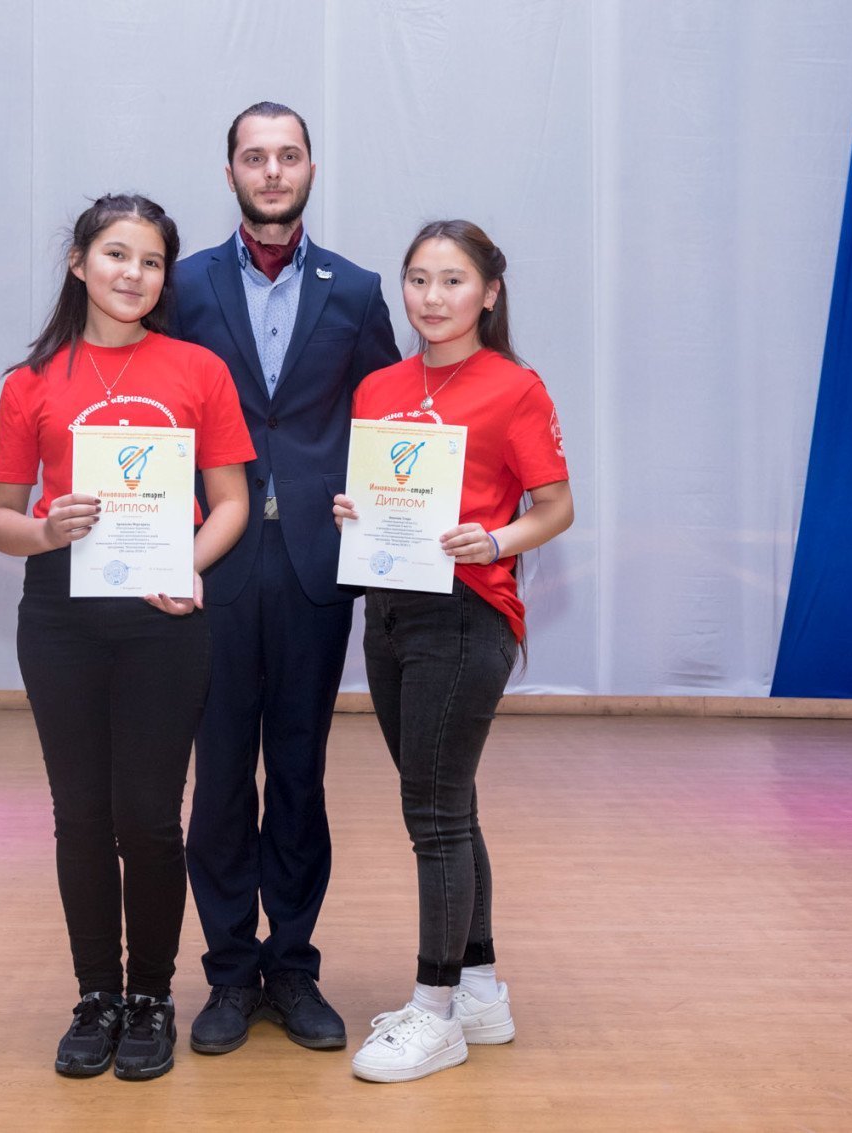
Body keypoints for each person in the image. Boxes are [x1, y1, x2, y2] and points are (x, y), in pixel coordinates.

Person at [0, 194, 253, 1081]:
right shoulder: (31, 382)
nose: (133, 273)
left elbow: (232, 501)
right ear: (79, 262)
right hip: (60, 617)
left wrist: (188, 565)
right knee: (81, 817)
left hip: (162, 621)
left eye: (151, 261)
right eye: (116, 254)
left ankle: (152, 996)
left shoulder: (198, 369)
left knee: (149, 817)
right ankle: (95, 994)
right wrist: (44, 528)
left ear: (165, 277)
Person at [170, 102, 400, 1055]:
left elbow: (389, 417)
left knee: (299, 774)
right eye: (255, 156)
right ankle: (230, 975)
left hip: (316, 565)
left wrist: (399, 523)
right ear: (229, 171)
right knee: (221, 775)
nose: (272, 171)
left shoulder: (359, 290)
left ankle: (293, 967)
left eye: (289, 155)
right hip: (211, 557)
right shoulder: (181, 284)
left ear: (311, 168)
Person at [332, 220, 574, 1083]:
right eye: (418, 280)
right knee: (449, 805)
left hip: (467, 615)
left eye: (453, 280)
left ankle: (433, 1012)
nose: (433, 298)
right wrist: (354, 511)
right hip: (390, 611)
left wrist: (496, 538)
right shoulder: (379, 387)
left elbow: (556, 505)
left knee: (432, 815)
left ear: (490, 292)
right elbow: (379, 494)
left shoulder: (515, 387)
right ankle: (477, 989)